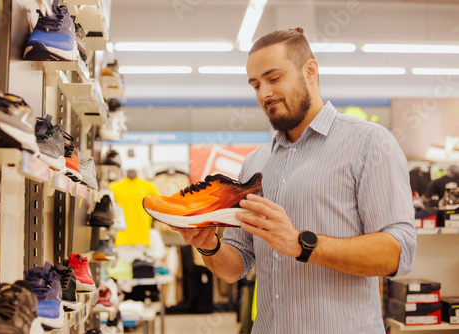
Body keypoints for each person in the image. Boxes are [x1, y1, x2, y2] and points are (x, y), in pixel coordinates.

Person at [172, 27, 416, 333]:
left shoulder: (369, 143)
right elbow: (237, 266)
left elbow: (399, 251)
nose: (264, 94)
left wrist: (302, 244)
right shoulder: (255, 163)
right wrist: (209, 245)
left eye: (273, 79)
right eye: (255, 85)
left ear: (310, 71)